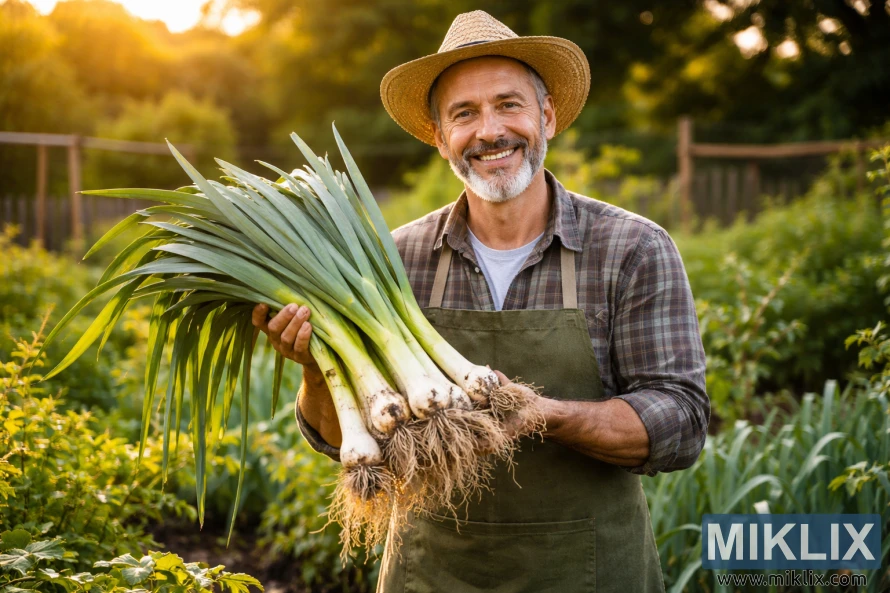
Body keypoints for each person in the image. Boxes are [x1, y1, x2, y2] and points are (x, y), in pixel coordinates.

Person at [252, 10, 709, 593]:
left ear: (546, 116)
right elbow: (344, 442)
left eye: (508, 104)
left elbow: (681, 421)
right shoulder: (395, 260)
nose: (490, 131)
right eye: (464, 114)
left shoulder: (633, 249)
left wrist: (542, 415)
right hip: (431, 576)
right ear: (441, 138)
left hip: (588, 575)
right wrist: (318, 371)